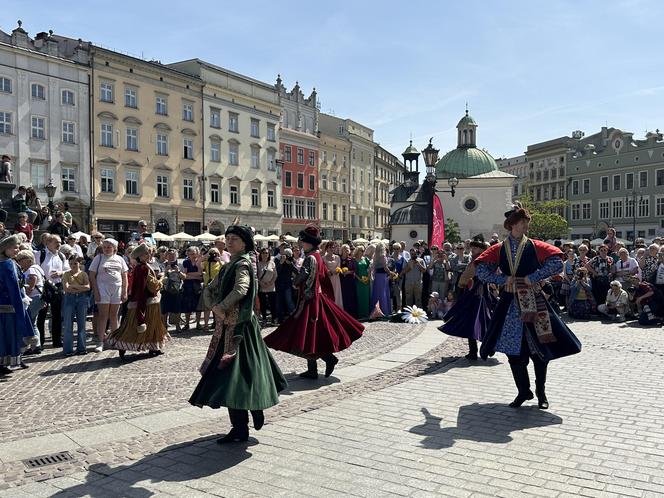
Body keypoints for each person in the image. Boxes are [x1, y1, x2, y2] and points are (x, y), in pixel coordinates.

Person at [475, 202, 582, 409]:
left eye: (526, 222)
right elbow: (480, 271)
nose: (526, 226)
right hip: (509, 306)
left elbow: (556, 262)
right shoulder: (499, 249)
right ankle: (523, 391)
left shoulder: (534, 246)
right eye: (523, 222)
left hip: (535, 302)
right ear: (513, 224)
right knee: (514, 352)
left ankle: (541, 393)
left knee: (540, 350)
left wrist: (532, 277)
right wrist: (503, 280)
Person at [190, 225, 287, 444]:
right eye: (228, 238)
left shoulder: (242, 264)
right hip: (228, 326)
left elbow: (241, 289)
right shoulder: (229, 264)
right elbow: (211, 287)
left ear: (244, 243)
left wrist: (222, 306)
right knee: (233, 376)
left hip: (240, 328)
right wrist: (212, 301)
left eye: (234, 238)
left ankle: (251, 411)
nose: (230, 241)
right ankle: (243, 422)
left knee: (236, 374)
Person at [265, 225, 364, 379]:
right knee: (311, 335)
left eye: (303, 242)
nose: (301, 244)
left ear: (309, 242)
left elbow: (303, 275)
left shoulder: (311, 257)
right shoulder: (317, 255)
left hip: (310, 300)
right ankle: (313, 369)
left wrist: (294, 281)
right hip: (316, 298)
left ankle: (329, 359)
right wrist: (292, 267)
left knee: (307, 333)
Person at [104, 244, 170, 359]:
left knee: (153, 326)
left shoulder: (144, 266)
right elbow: (149, 286)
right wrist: (161, 280)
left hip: (149, 301)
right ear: (140, 256)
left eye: (149, 252)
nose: (149, 255)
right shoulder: (142, 268)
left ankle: (154, 347)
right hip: (145, 302)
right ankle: (122, 345)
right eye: (146, 253)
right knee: (134, 326)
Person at [439, 235, 494, 360]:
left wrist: (462, 283)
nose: (472, 249)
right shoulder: (477, 261)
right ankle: (476, 350)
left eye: (475, 248)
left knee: (482, 322)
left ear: (481, 250)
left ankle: (488, 347)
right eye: (472, 247)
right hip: (473, 296)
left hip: (479, 296)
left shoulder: (480, 262)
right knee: (472, 323)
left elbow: (465, 279)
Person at [0, 235, 33, 373]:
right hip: (9, 304)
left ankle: (15, 358)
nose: (17, 249)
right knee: (9, 333)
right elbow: (12, 286)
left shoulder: (10, 262)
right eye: (14, 247)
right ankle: (4, 361)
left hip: (13, 301)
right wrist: (19, 302)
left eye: (18, 247)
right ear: (5, 249)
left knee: (12, 333)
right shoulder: (6, 264)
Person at [89, 238, 128, 352]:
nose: (106, 249)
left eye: (109, 247)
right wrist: (95, 291)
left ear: (114, 248)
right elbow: (92, 275)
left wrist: (125, 291)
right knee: (103, 315)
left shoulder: (120, 259)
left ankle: (115, 340)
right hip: (102, 288)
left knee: (114, 315)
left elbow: (124, 276)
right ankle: (101, 341)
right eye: (105, 247)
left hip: (116, 288)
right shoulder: (99, 258)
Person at [35, 234, 69, 348]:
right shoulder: (40, 254)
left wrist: (61, 273)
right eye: (56, 242)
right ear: (48, 243)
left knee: (57, 315)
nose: (59, 244)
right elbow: (34, 268)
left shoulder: (61, 255)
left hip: (57, 287)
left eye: (60, 242)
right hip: (43, 287)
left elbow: (67, 270)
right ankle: (40, 342)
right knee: (41, 315)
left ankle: (57, 340)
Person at [61, 255, 90, 356]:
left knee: (81, 324)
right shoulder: (66, 274)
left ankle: (81, 348)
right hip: (70, 298)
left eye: (75, 263)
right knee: (68, 324)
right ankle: (68, 349)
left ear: (79, 263)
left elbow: (87, 287)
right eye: (71, 263)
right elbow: (66, 288)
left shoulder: (83, 274)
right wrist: (80, 287)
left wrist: (73, 286)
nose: (73, 265)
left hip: (82, 299)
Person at [15, 250, 43, 354]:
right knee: (33, 322)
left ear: (28, 260)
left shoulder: (31, 270)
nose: (19, 262)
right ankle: (36, 345)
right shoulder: (35, 268)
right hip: (36, 298)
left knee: (30, 322)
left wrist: (21, 293)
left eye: (21, 260)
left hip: (34, 298)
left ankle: (33, 345)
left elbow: (31, 287)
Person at [161, 248, 185, 330]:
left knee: (177, 309)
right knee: (165, 309)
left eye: (173, 255)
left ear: (176, 256)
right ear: (166, 256)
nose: (171, 257)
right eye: (169, 255)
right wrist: (165, 271)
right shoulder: (163, 264)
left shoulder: (180, 264)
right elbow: (160, 278)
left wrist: (178, 271)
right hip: (166, 289)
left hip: (177, 289)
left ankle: (178, 325)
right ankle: (164, 326)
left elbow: (184, 277)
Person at [182, 246, 204, 330]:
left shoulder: (200, 262)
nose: (193, 255)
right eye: (191, 254)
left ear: (197, 253)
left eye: (194, 254)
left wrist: (190, 275)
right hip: (188, 286)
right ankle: (187, 324)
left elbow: (200, 274)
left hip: (197, 286)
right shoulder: (186, 262)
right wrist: (196, 276)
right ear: (188, 254)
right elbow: (185, 275)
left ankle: (198, 323)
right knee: (187, 306)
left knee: (198, 306)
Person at [201, 248, 222, 330]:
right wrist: (205, 256)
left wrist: (219, 260)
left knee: (217, 306)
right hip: (208, 286)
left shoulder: (220, 263)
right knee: (207, 307)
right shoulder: (206, 262)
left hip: (218, 287)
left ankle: (218, 324)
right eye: (212, 253)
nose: (214, 255)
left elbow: (226, 268)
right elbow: (199, 264)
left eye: (216, 253)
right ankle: (206, 325)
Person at [256, 247, 277, 325]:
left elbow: (275, 275)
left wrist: (270, 282)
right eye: (263, 253)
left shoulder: (272, 263)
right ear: (261, 254)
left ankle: (274, 318)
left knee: (272, 304)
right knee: (263, 304)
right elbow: (256, 275)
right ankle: (264, 319)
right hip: (262, 287)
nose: (265, 254)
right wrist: (260, 283)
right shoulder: (258, 264)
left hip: (271, 287)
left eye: (267, 253)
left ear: (269, 254)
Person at [369, 242, 391, 316]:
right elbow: (385, 267)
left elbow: (373, 268)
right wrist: (390, 273)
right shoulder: (383, 256)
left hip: (377, 276)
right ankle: (383, 310)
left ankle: (375, 310)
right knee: (383, 293)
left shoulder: (375, 256)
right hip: (383, 276)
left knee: (376, 293)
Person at [339, 244, 358, 317]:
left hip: (350, 280)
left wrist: (348, 272)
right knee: (344, 296)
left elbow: (354, 270)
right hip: (342, 280)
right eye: (345, 249)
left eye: (348, 249)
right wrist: (340, 271)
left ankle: (352, 314)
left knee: (351, 296)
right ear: (342, 250)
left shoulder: (351, 259)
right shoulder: (339, 259)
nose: (347, 251)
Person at [323, 241, 343, 308]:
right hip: (328, 279)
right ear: (327, 248)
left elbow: (339, 267)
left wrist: (337, 271)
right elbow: (323, 268)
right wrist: (329, 272)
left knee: (337, 295)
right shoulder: (323, 258)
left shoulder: (337, 257)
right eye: (330, 247)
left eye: (333, 247)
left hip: (336, 279)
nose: (332, 249)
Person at [353, 246, 371, 319]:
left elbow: (370, 269)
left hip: (366, 281)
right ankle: (360, 314)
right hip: (359, 281)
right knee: (360, 297)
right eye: (361, 250)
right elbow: (354, 271)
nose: (363, 252)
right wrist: (359, 279)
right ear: (357, 251)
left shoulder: (366, 259)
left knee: (366, 297)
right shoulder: (354, 260)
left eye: (364, 250)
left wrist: (369, 277)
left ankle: (366, 314)